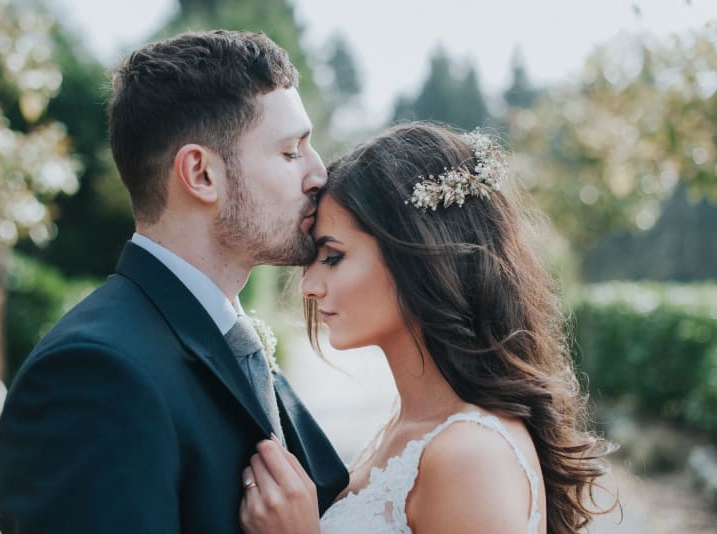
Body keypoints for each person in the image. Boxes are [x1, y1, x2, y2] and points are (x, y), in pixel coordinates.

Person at [0, 30, 348, 533]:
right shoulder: (92, 377)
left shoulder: (228, 340)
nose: (319, 174)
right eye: (291, 152)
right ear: (201, 174)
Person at [238, 123, 615, 534]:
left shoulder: (471, 455)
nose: (309, 286)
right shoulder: (409, 429)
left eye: (333, 257)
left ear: (418, 256)